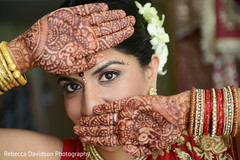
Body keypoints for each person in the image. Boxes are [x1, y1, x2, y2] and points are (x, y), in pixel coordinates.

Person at [0, 0, 239, 160]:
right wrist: (21, 54)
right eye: (72, 86)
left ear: (150, 72)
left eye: (108, 75)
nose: (90, 106)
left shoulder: (219, 145)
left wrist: (188, 110)